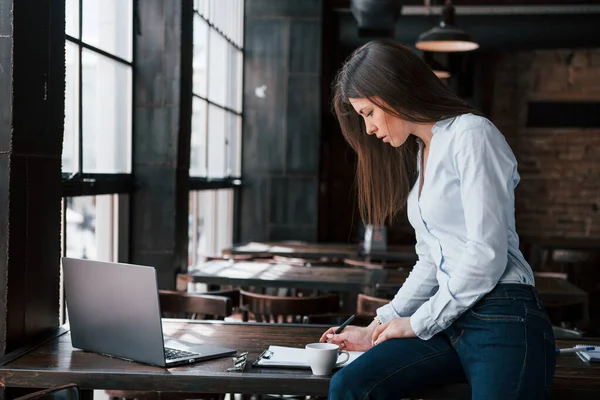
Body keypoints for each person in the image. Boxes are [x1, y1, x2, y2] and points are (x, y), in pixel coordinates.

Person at [320, 39, 555, 399]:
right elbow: (431, 261)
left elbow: (486, 255)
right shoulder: (422, 153)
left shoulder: (471, 134)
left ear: (390, 91)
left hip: (503, 313)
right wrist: (376, 326)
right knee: (351, 385)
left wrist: (417, 322)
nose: (368, 129)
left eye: (367, 113)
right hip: (450, 320)